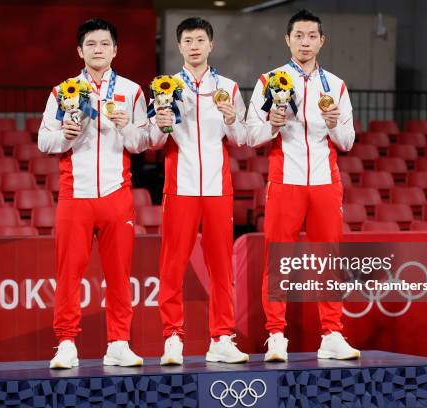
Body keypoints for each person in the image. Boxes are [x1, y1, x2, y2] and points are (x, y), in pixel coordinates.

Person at [246, 9, 360, 362]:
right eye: (299, 35)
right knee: (277, 262)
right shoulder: (270, 81)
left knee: (329, 261)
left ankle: (332, 333)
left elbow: (348, 141)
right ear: (288, 40)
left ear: (322, 41)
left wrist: (334, 121)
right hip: (286, 181)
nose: (305, 42)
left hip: (326, 183)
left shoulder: (336, 86)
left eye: (312, 36)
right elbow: (251, 135)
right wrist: (273, 124)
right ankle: (276, 335)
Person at [39, 18, 150, 369]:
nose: (98, 49)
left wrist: (125, 125)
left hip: (117, 194)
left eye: (104, 44)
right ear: (79, 50)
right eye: (91, 44)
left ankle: (118, 343)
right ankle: (67, 343)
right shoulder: (63, 91)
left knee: (119, 275)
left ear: (115, 50)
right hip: (76, 194)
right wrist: (67, 135)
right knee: (69, 274)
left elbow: (143, 143)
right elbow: (45, 141)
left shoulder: (131, 91)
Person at [150, 17, 249, 365]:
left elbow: (242, 139)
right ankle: (172, 338)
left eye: (200, 39)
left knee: (222, 268)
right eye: (187, 40)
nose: (194, 45)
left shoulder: (229, 88)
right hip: (180, 187)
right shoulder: (164, 87)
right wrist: (161, 124)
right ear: (179, 47)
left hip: (218, 189)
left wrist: (230, 118)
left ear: (211, 45)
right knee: (172, 266)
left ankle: (222, 337)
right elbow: (152, 140)